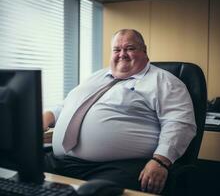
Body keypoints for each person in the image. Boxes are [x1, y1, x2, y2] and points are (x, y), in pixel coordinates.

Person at [43, 29, 196, 194]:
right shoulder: (96, 76)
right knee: (19, 171)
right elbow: (66, 105)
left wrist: (160, 161)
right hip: (64, 160)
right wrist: (44, 118)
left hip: (119, 166)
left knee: (94, 193)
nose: (122, 54)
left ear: (144, 50)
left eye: (129, 48)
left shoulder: (164, 81)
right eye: (117, 49)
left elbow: (179, 123)